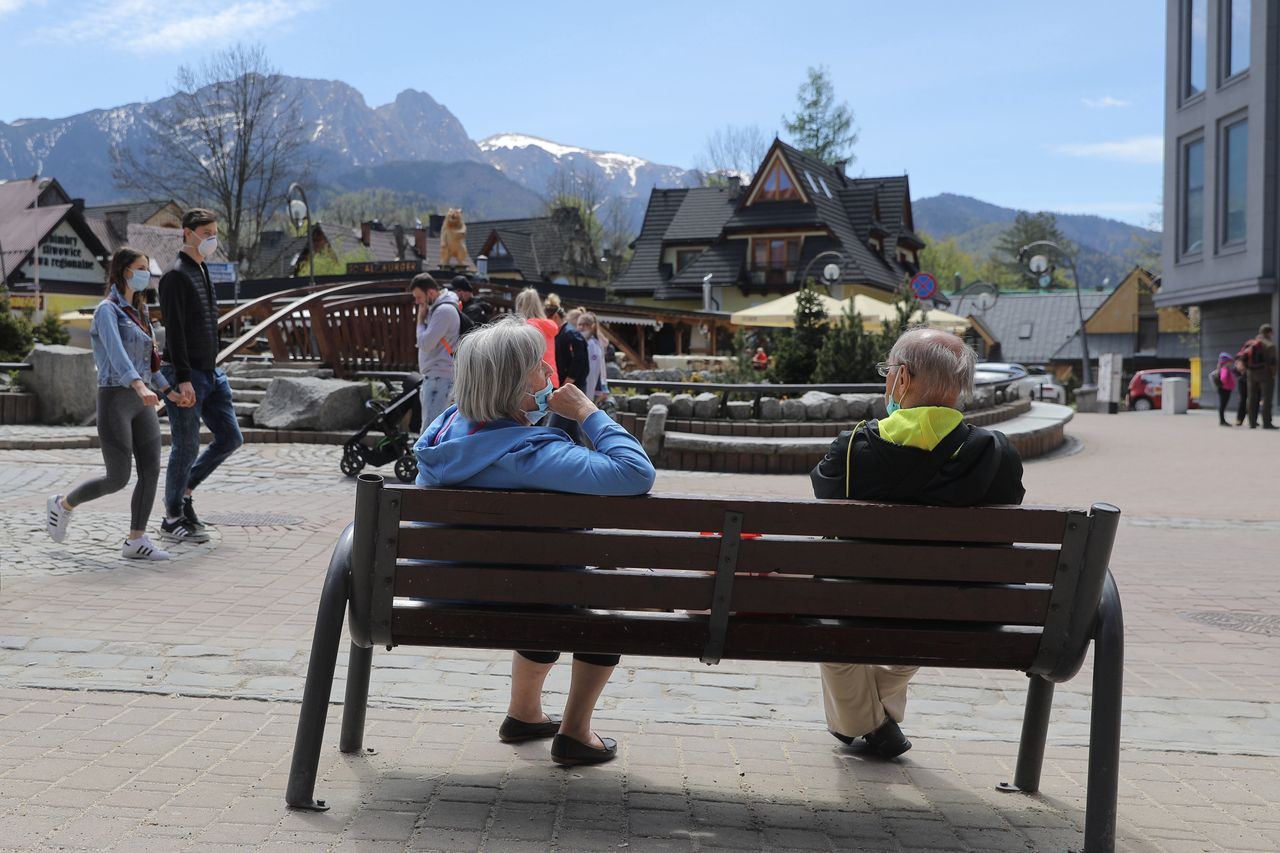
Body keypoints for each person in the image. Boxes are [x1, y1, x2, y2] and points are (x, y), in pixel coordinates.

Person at [413, 316, 656, 765]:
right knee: (598, 599)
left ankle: (524, 713)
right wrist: (586, 411)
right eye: (540, 367)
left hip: (448, 597)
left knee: (546, 582)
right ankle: (576, 733)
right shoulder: (534, 455)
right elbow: (636, 473)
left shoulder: (442, 437)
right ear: (513, 383)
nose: (550, 374)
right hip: (528, 600)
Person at [810, 328, 1025, 758]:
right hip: (962, 613)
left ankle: (862, 723)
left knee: (833, 620)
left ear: (903, 379)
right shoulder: (995, 453)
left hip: (857, 609)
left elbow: (825, 495)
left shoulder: (852, 448)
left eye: (889, 372)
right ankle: (874, 723)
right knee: (924, 604)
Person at [46, 250, 190, 560]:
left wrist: (170, 392)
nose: (146, 275)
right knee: (117, 477)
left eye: (147, 270)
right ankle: (63, 504)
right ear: (124, 271)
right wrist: (138, 386)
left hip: (143, 401)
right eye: (140, 269)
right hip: (115, 397)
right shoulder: (106, 311)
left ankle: (135, 540)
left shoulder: (141, 313)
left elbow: (151, 364)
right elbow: (116, 355)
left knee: (151, 470)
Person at [157, 208, 242, 544]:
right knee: (186, 444)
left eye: (214, 232)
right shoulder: (175, 275)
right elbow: (173, 331)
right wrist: (182, 378)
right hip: (186, 373)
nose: (212, 238)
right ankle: (171, 517)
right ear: (187, 233)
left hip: (211, 371)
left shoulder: (202, 270)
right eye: (206, 232)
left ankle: (185, 490)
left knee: (231, 437)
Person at [411, 273, 461, 429]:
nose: (417, 302)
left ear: (430, 293)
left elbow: (425, 344)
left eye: (419, 297)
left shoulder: (443, 311)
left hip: (440, 379)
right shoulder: (440, 308)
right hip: (437, 377)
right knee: (433, 428)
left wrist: (420, 321)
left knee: (430, 429)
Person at [514, 287, 559, 387]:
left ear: (522, 306)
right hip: (552, 378)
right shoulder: (548, 326)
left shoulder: (528, 327)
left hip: (536, 382)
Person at [1243, 323, 1277, 429]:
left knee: (1251, 398)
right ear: (1269, 333)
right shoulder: (1270, 345)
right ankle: (1266, 422)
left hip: (1251, 374)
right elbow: (1273, 362)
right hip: (1266, 375)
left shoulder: (1250, 343)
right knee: (1267, 399)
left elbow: (1243, 358)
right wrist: (1273, 373)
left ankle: (1252, 422)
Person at [575, 311, 611, 404]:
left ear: (592, 326)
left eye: (585, 325)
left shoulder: (592, 344)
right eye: (580, 324)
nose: (582, 327)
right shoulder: (588, 341)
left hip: (589, 386)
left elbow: (594, 368)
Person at [1211, 352, 1237, 427]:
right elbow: (1224, 378)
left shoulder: (1222, 368)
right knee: (1223, 405)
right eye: (1230, 362)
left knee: (1222, 405)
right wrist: (1227, 384)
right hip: (1225, 389)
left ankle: (1222, 420)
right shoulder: (1225, 369)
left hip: (1223, 389)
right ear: (1226, 362)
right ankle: (1222, 421)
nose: (1230, 363)